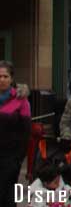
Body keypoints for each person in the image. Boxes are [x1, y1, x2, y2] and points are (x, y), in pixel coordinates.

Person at [0, 61, 30, 207]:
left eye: (5, 76)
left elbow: (26, 132)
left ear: (11, 79)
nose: (2, 80)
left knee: (7, 196)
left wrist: (18, 158)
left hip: (11, 158)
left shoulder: (21, 100)